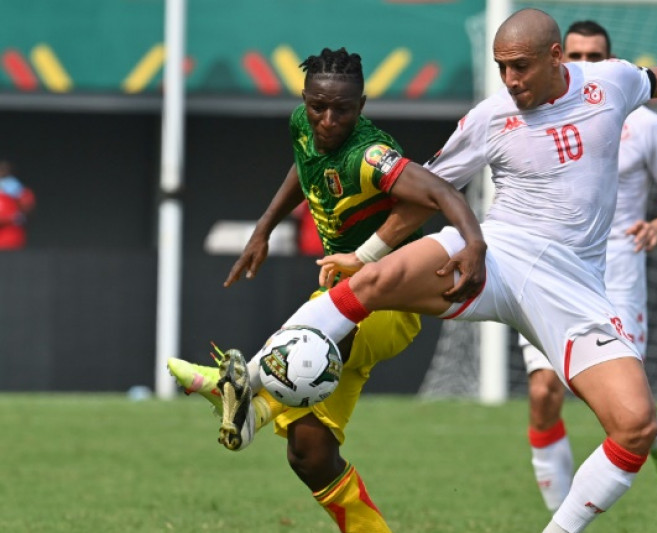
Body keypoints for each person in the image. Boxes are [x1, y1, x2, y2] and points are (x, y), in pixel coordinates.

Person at [222, 9, 657, 532]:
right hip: (498, 253)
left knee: (637, 425)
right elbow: (427, 190)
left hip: (574, 286)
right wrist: (364, 254)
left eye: (520, 66)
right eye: (501, 66)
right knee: (374, 282)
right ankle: (258, 384)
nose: (509, 79)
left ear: (555, 57)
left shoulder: (609, 83)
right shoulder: (490, 116)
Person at [167, 47, 487, 533]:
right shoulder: (304, 124)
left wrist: (474, 243)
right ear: (305, 99)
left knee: (314, 336)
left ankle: (241, 392)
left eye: (343, 109)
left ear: (363, 104)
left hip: (388, 304)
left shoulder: (372, 155)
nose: (329, 120)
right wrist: (263, 229)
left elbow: (443, 191)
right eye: (319, 107)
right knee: (309, 453)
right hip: (342, 300)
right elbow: (304, 163)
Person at [520, 20, 657, 511]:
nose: (584, 65)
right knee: (543, 393)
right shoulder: (531, 115)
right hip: (550, 269)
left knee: (616, 403)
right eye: (575, 56)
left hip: (617, 270)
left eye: (595, 56)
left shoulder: (643, 124)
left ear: (611, 61)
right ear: (558, 58)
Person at [0, 160, 36, 250]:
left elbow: (26, 204)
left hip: (10, 230)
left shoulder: (14, 185)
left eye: (5, 169)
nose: (2, 171)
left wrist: (17, 216)